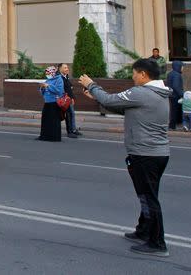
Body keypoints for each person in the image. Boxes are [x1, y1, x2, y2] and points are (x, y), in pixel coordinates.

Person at [78, 58, 171, 257]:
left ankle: (157, 243)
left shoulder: (142, 92)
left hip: (144, 153)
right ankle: (144, 230)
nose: (133, 76)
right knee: (147, 195)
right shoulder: (159, 93)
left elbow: (111, 100)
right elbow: (120, 107)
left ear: (144, 75)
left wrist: (92, 85)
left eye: (135, 73)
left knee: (148, 198)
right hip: (157, 153)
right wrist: (98, 98)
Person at [38, 65, 64, 141]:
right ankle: (44, 136)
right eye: (46, 73)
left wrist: (48, 86)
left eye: (49, 73)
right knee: (45, 120)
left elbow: (59, 91)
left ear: (53, 73)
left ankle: (54, 137)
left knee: (54, 121)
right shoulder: (47, 80)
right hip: (47, 102)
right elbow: (43, 92)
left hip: (55, 103)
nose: (47, 75)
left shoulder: (59, 79)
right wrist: (42, 88)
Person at [58, 63, 81, 138]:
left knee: (72, 114)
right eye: (65, 68)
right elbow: (63, 89)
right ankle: (70, 131)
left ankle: (73, 130)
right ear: (60, 69)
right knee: (68, 115)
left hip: (69, 99)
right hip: (64, 100)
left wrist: (72, 98)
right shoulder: (59, 78)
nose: (67, 69)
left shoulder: (66, 77)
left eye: (67, 67)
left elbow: (70, 87)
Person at [165, 60, 184, 130]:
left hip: (171, 95)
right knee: (175, 111)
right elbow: (176, 86)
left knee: (174, 110)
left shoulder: (170, 74)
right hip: (176, 95)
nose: (182, 68)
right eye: (182, 66)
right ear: (178, 66)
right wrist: (182, 94)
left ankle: (174, 125)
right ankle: (173, 126)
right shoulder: (177, 75)